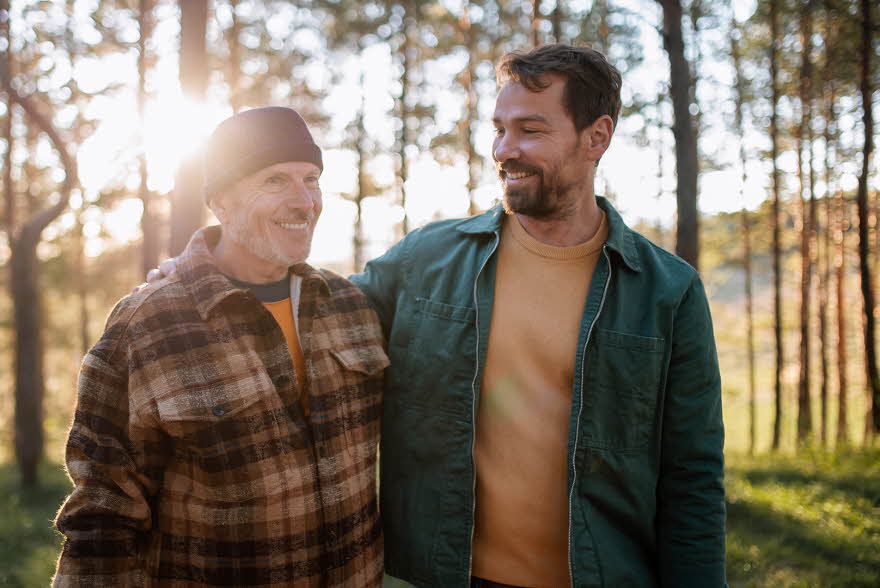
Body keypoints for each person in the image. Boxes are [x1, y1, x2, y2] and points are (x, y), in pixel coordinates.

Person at [146, 45, 727, 587]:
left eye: (531, 130)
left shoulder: (666, 292)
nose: (505, 149)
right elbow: (316, 314)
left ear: (596, 137)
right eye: (500, 129)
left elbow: (692, 479)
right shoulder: (427, 259)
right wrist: (206, 269)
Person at [54, 107, 388, 587]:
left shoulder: (351, 307)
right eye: (275, 180)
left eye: (311, 179)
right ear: (221, 203)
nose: (304, 201)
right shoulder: (149, 323)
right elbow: (102, 518)